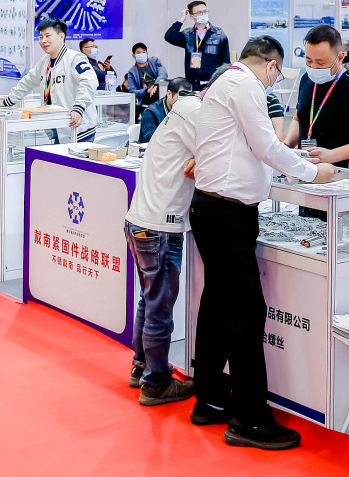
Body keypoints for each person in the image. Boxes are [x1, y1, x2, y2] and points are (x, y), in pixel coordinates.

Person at [187, 36, 335, 450]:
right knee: (246, 313)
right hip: (226, 214)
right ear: (271, 65)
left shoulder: (225, 81)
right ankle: (250, 419)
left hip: (215, 209)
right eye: (278, 74)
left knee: (217, 306)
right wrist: (312, 173)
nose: (275, 81)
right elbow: (265, 145)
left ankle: (209, 399)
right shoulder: (245, 85)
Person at [123, 80, 203, 405]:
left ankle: (142, 366)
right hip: (160, 229)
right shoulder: (195, 112)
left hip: (141, 222)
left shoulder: (179, 112)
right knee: (159, 307)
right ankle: (156, 383)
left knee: (149, 300)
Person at [283, 25, 349, 168]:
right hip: (306, 169)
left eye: (321, 62)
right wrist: (287, 145)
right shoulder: (306, 79)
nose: (314, 67)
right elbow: (299, 118)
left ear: (340, 57)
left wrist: (333, 155)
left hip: (342, 172)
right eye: (309, 60)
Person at [0, 20, 99, 143]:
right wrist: (8, 101)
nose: (43, 41)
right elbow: (28, 81)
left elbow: (89, 81)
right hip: (56, 126)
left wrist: (78, 108)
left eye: (48, 36)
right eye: (41, 37)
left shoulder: (74, 58)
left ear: (61, 36)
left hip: (79, 129)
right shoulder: (45, 61)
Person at [165, 1, 230, 89]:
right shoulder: (188, 34)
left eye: (205, 11)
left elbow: (225, 62)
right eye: (199, 12)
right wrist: (181, 19)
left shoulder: (219, 34)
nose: (203, 14)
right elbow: (169, 37)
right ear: (192, 16)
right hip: (192, 83)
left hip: (212, 83)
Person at [139, 78, 193, 144]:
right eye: (181, 97)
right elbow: (149, 139)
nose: (184, 101)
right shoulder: (150, 112)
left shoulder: (187, 110)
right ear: (169, 94)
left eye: (188, 98)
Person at [120, 42, 168, 110]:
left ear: (147, 53)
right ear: (133, 56)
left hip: (159, 88)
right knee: (154, 95)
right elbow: (132, 91)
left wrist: (156, 85)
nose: (141, 54)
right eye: (138, 53)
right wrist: (146, 91)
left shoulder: (154, 61)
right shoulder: (132, 72)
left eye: (144, 52)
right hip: (145, 95)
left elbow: (163, 73)